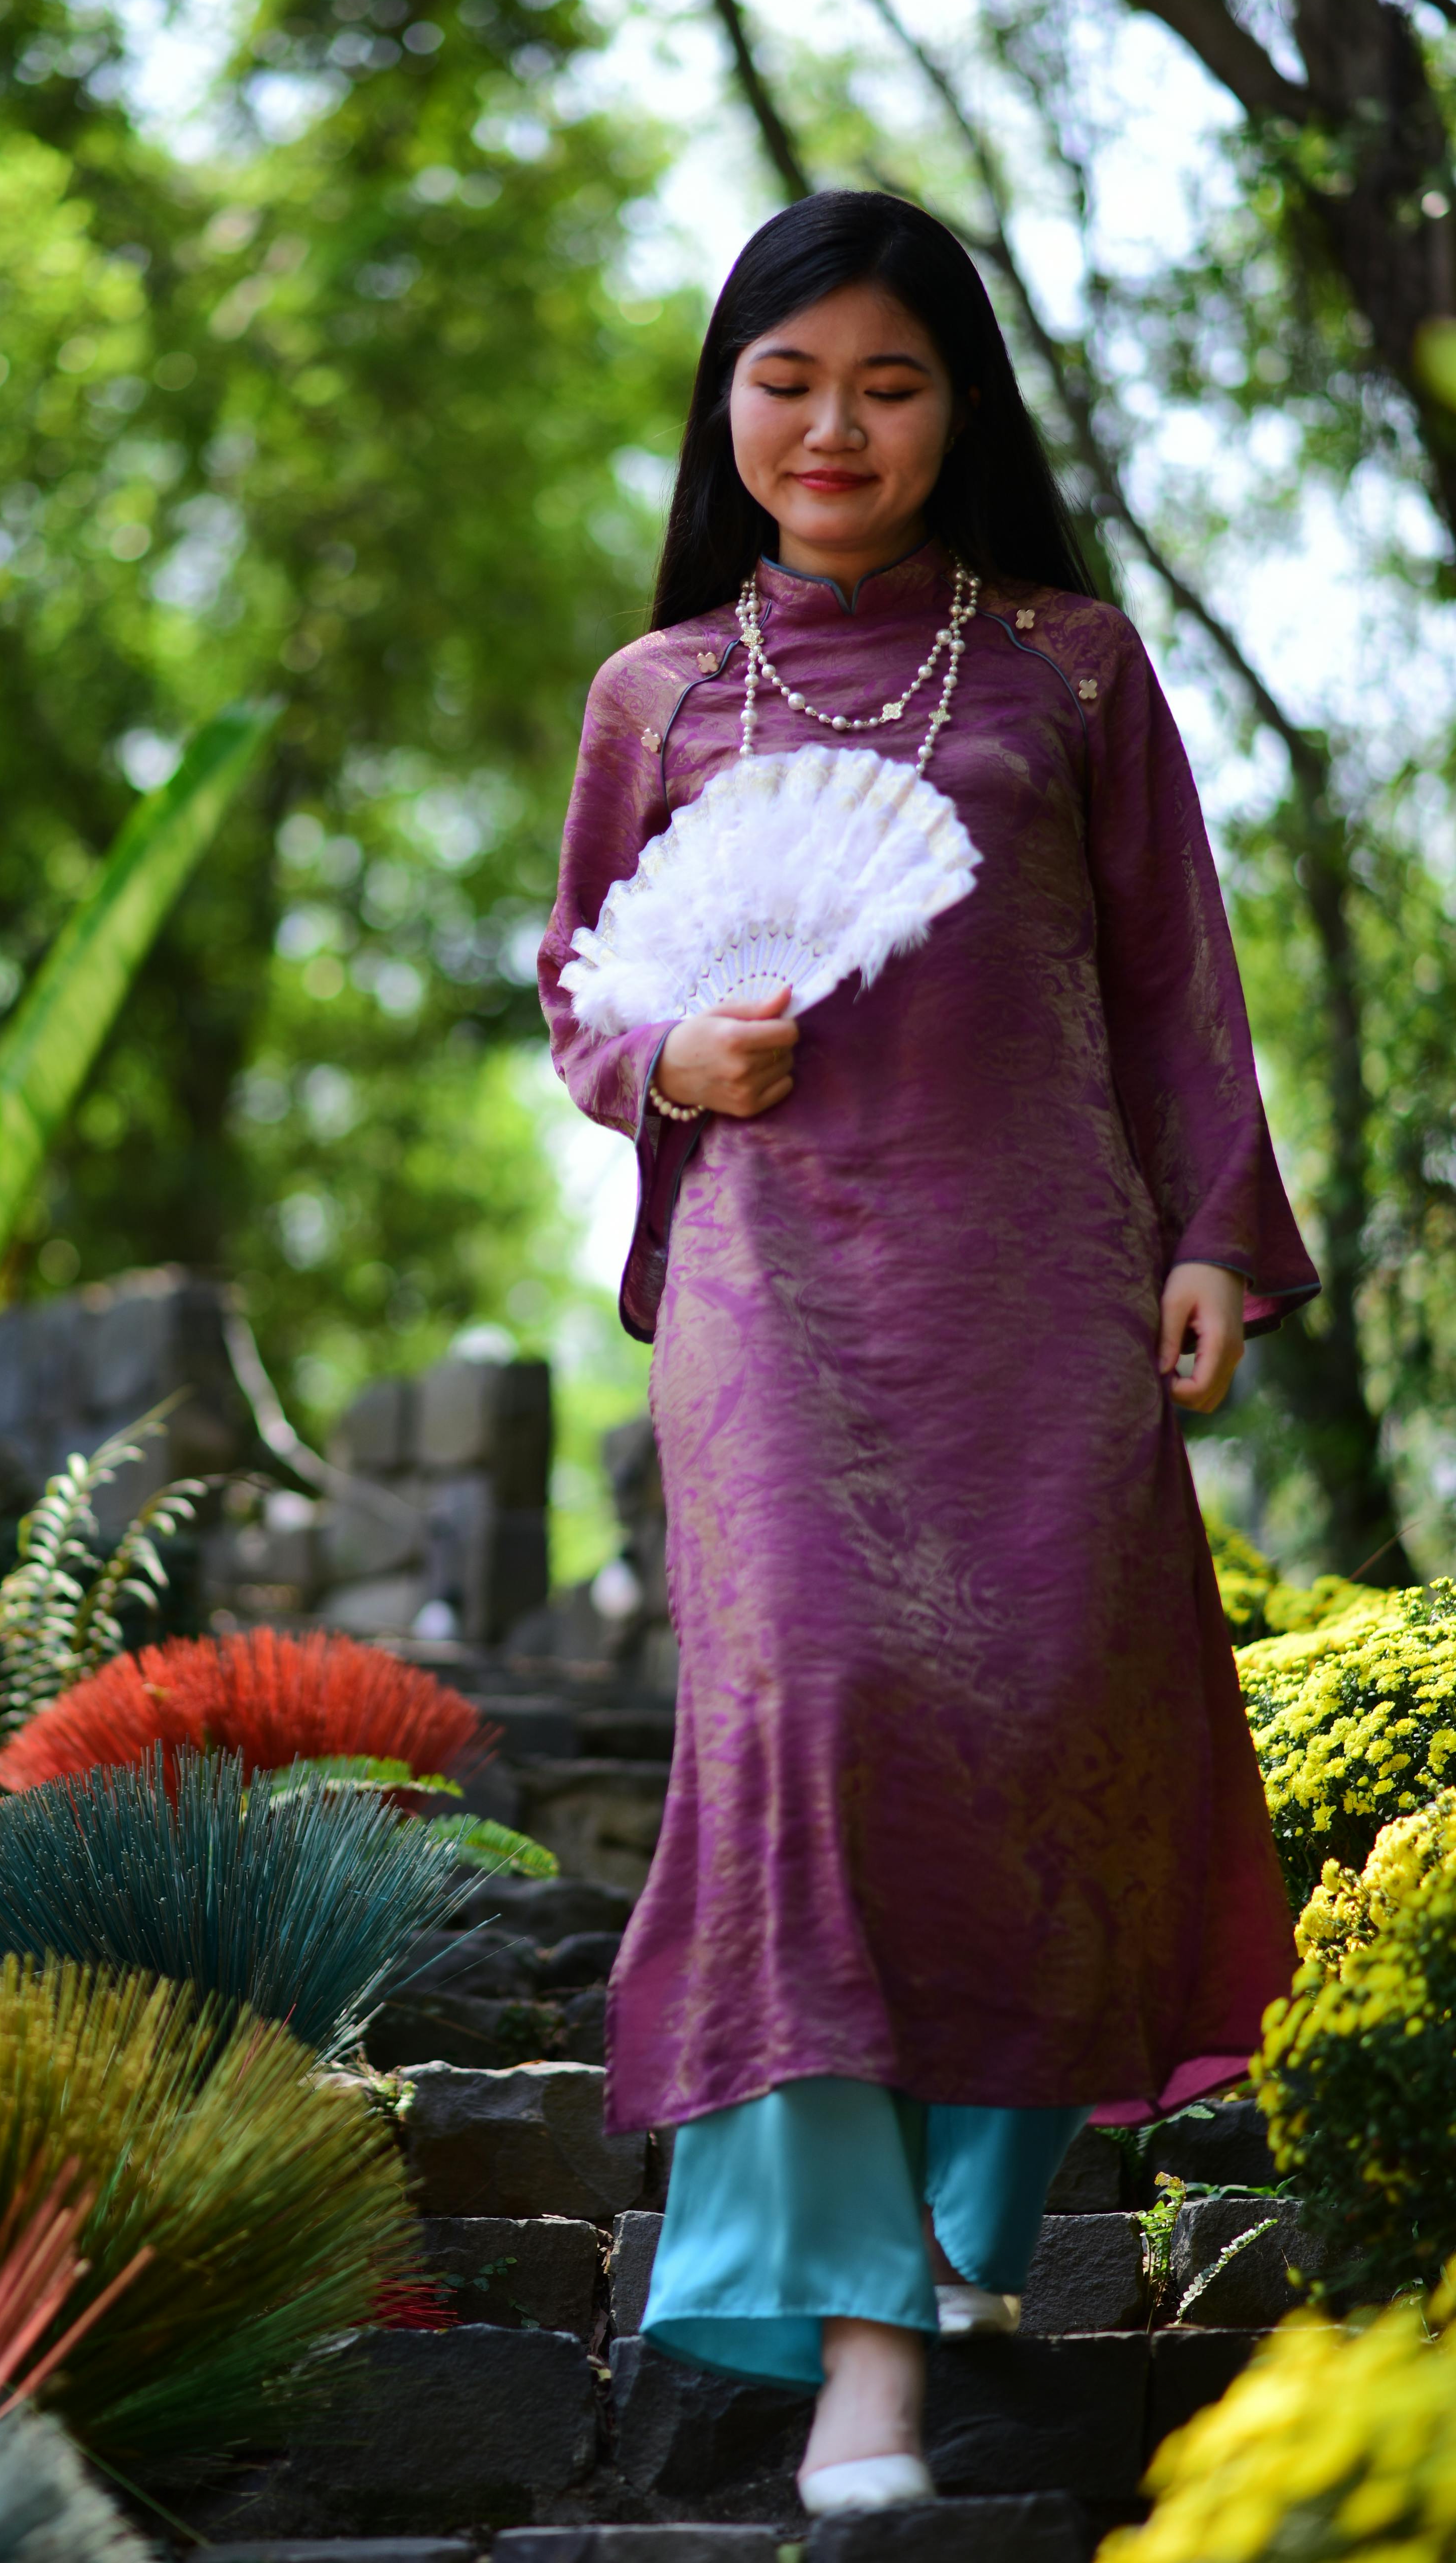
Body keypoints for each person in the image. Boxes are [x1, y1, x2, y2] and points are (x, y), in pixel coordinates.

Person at [537, 191, 1318, 2519]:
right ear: (723, 403)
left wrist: (1211, 1235)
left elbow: (1173, 975)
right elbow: (580, 993)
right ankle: (862, 2347)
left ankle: (963, 2241)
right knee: (810, 1731)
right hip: (771, 1293)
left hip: (1036, 1291)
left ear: (954, 408)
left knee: (1037, 1729)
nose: (831, 427)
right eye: (784, 381)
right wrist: (670, 1064)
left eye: (884, 383)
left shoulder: (1069, 667)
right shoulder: (654, 693)